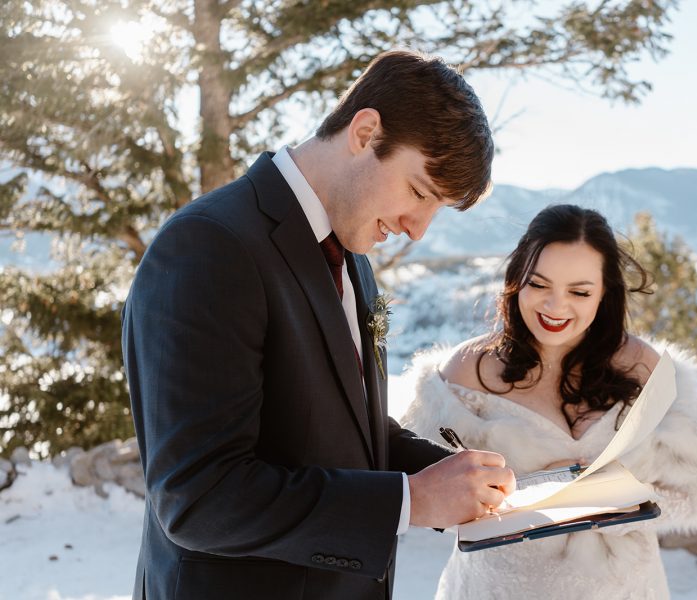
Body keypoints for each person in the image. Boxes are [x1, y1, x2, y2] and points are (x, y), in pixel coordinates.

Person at [121, 50, 515, 600]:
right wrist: (411, 501)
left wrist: (456, 479)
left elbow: (345, 430)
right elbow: (199, 499)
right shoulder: (209, 245)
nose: (417, 229)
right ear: (365, 131)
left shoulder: (353, 260)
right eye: (420, 192)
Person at [401, 204, 697, 600]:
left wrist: (609, 499)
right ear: (517, 279)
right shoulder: (464, 373)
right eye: (539, 285)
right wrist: (535, 489)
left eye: (579, 291)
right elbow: (426, 497)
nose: (555, 307)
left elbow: (696, 496)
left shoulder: (648, 370)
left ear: (605, 292)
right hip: (498, 589)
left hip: (625, 589)